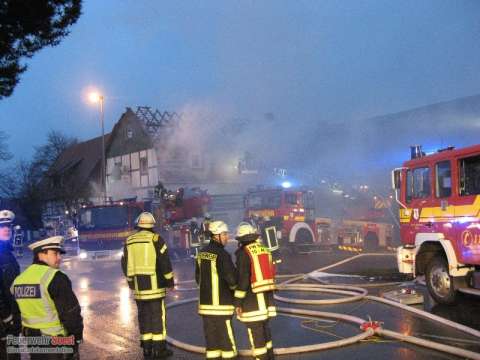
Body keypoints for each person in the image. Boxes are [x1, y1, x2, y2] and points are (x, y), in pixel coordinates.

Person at [12, 236, 83, 359]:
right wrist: (76, 339)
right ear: (41, 254)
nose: (59, 258)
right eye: (55, 254)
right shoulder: (56, 277)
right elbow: (71, 314)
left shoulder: (19, 280)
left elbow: (17, 313)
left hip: (32, 341)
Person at [122, 212, 174, 359]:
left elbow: (125, 264)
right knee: (157, 318)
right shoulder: (156, 239)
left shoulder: (129, 241)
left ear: (139, 225)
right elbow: (165, 262)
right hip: (155, 287)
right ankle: (159, 350)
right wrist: (170, 282)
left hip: (139, 288)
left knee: (144, 318)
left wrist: (131, 283)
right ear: (152, 225)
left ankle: (147, 350)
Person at [195, 221, 238, 359]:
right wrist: (237, 296)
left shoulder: (201, 254)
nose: (227, 237)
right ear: (216, 236)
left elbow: (197, 278)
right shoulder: (223, 255)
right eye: (224, 234)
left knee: (212, 344)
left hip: (205, 307)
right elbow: (232, 280)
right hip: (222, 306)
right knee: (227, 344)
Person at [234, 222, 276, 360]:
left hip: (252, 301)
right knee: (265, 330)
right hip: (267, 299)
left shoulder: (243, 253)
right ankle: (270, 356)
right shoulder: (264, 249)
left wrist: (238, 303)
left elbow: (243, 280)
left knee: (256, 334)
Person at [0, 210, 21, 360]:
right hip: (3, 320)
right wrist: (7, 316)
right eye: (1, 226)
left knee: (13, 351)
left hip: (11, 315)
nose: (6, 229)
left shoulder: (8, 253)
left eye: (8, 226)